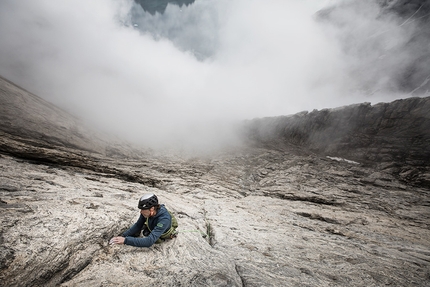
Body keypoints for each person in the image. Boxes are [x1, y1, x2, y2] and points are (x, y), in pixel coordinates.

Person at [109, 193, 178, 247]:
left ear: (152, 209)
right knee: (143, 232)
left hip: (161, 232)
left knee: (151, 237)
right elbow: (138, 225)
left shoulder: (164, 219)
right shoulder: (147, 212)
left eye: (143, 209)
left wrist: (125, 240)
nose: (141, 212)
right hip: (153, 224)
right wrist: (123, 236)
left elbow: (149, 241)